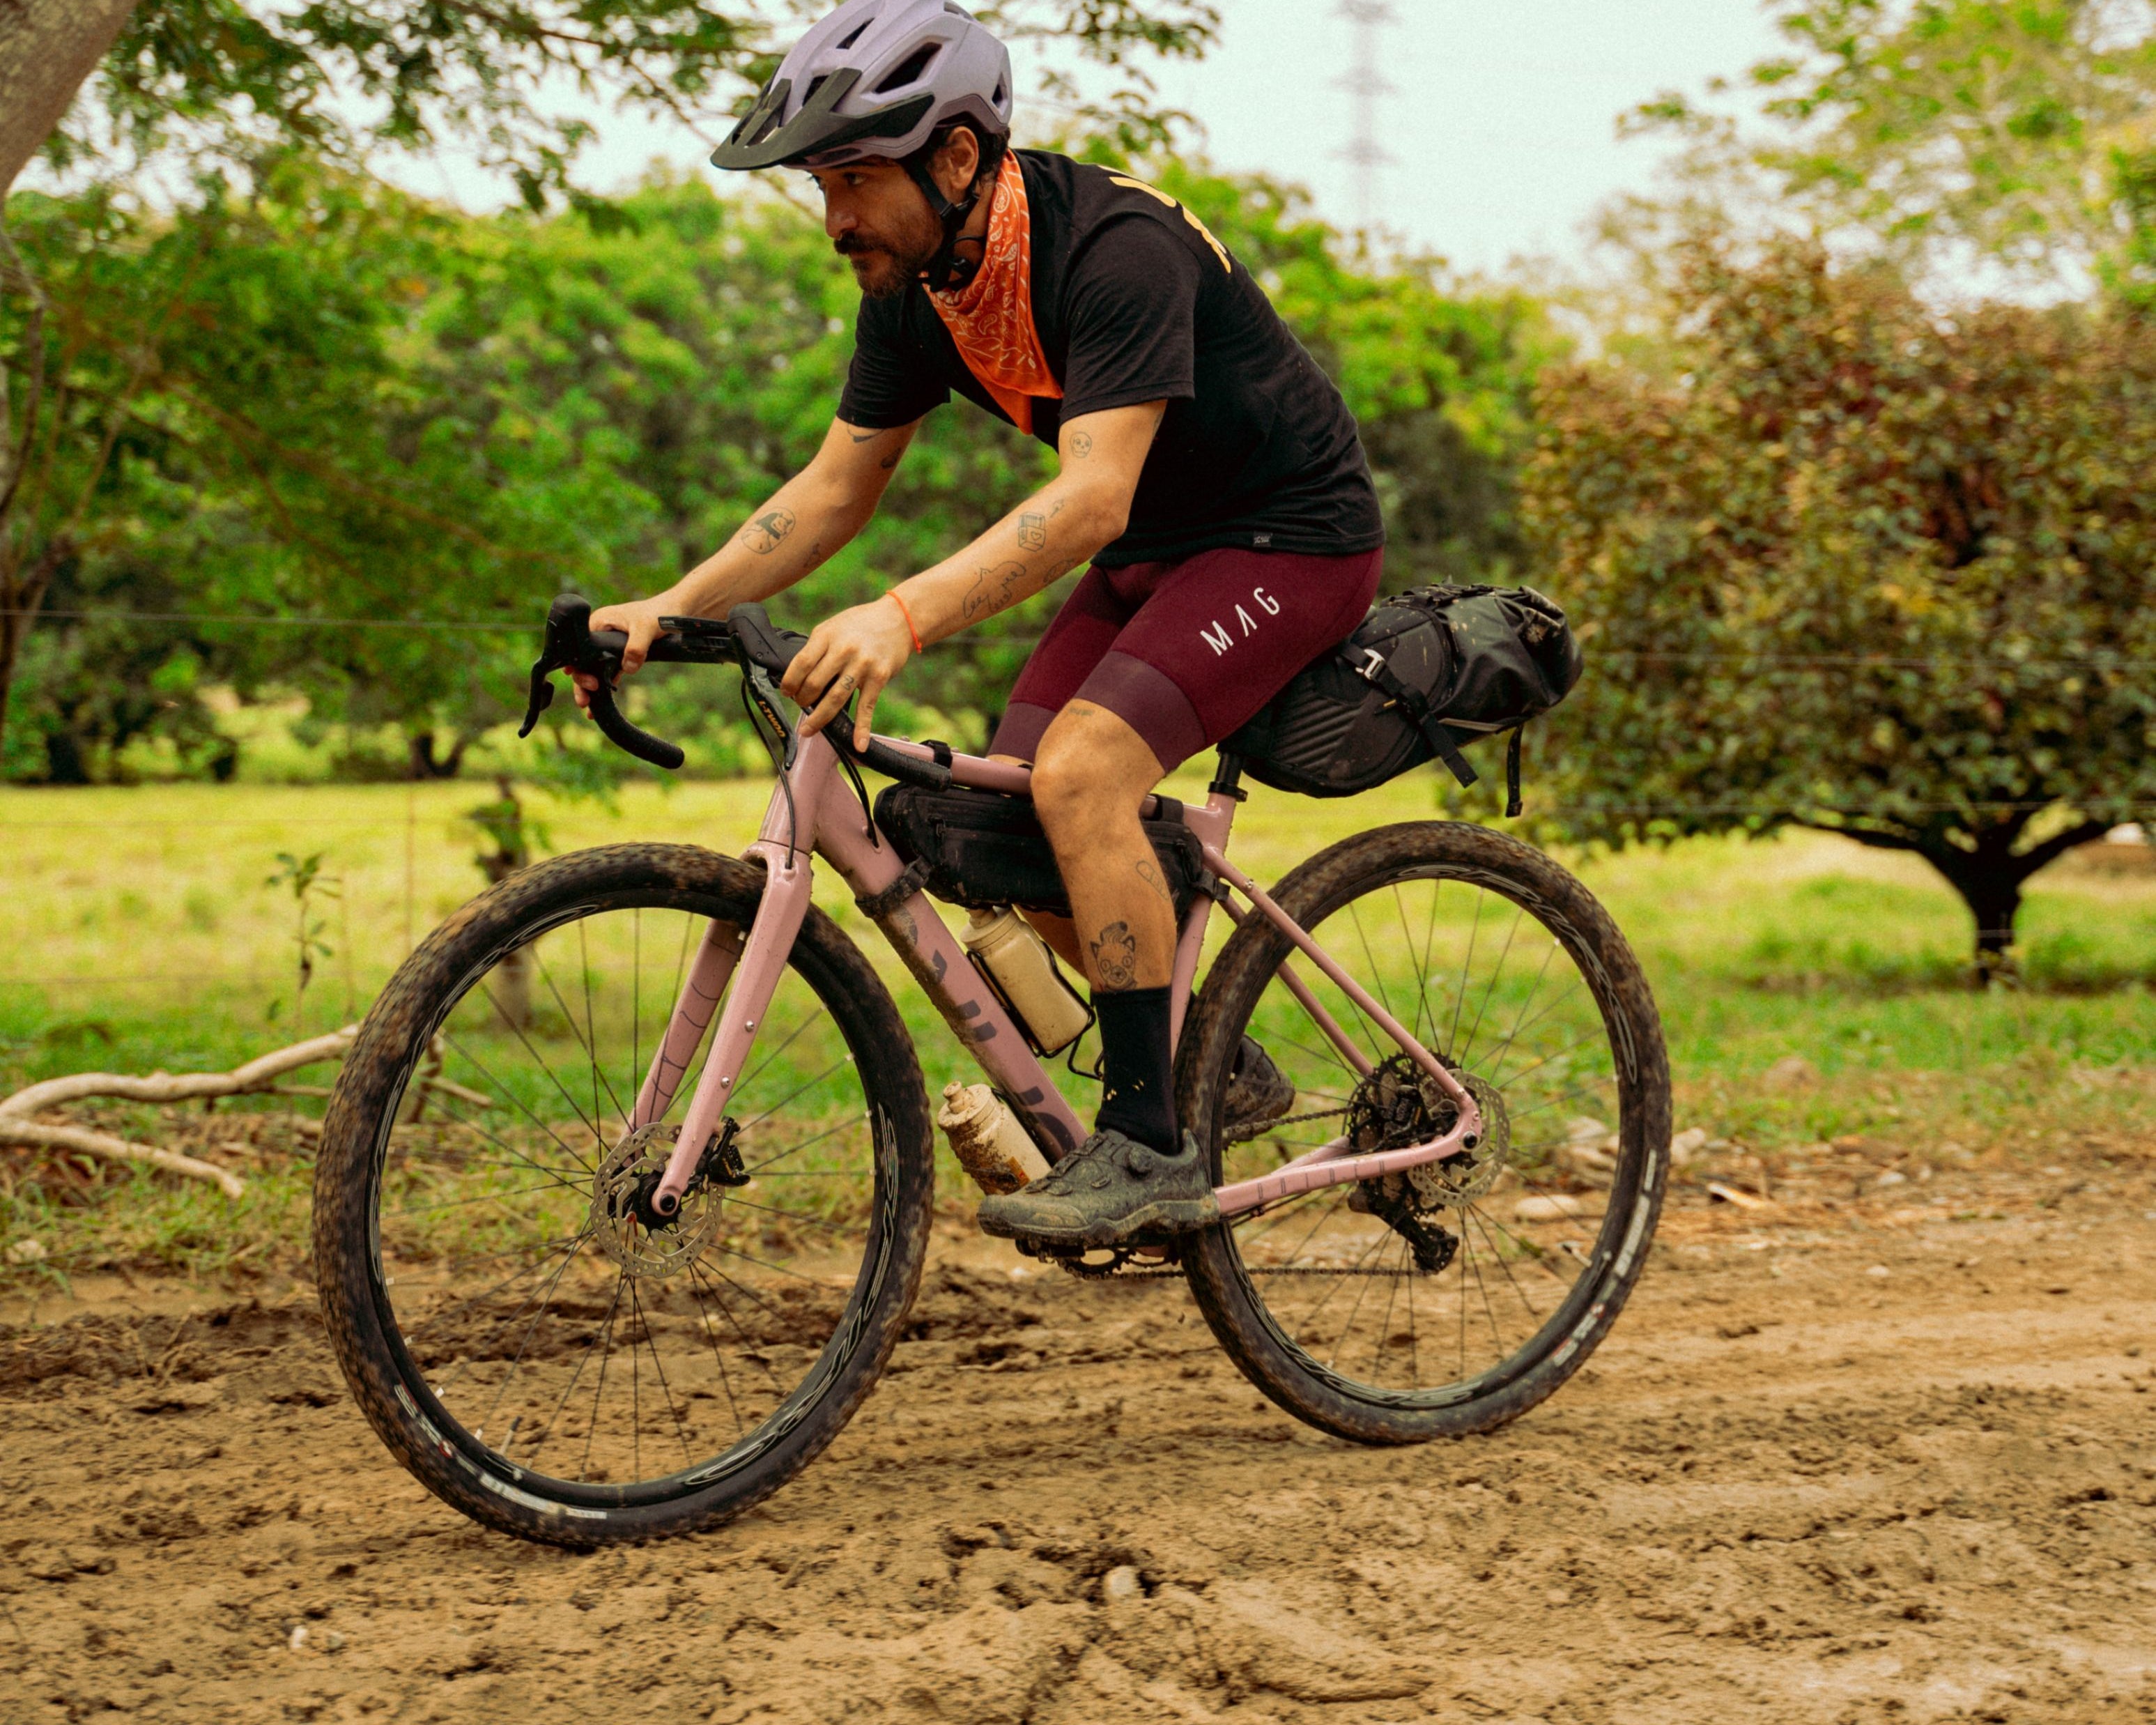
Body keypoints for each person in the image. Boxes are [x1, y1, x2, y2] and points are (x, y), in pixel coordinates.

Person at [580, 0, 1385, 1250]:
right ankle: (1209, 1067)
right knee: (1007, 816)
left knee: (1078, 777)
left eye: (854, 179)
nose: (834, 217)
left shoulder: (1113, 250)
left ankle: (1149, 1147)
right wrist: (670, 608)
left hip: (1286, 540)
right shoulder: (916, 287)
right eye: (820, 184)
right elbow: (837, 487)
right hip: (1150, 556)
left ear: (957, 157)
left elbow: (1090, 495)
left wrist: (903, 615)